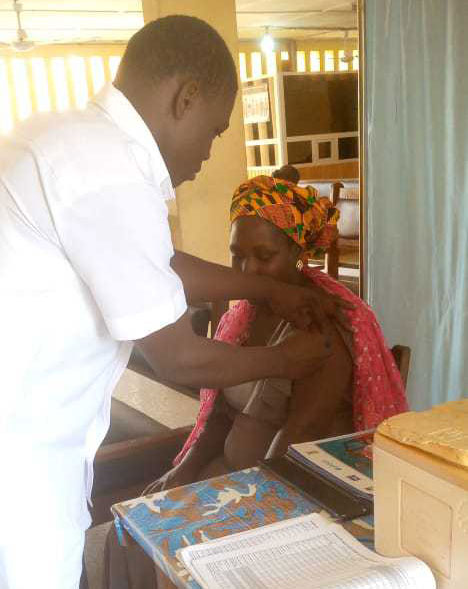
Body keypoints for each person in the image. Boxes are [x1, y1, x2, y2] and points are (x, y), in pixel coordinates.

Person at [0, 17, 349, 589]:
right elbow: (179, 359)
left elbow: (158, 268)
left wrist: (265, 291)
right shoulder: (105, 169)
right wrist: (288, 359)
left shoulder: (65, 138)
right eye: (214, 130)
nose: (210, 153)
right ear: (186, 97)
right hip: (20, 463)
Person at [103, 175, 409, 589]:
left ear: (298, 251)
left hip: (286, 493)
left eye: (264, 256)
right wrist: (183, 474)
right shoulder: (241, 319)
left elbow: (292, 452)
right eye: (237, 255)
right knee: (125, 538)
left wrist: (219, 512)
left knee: (171, 560)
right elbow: (219, 415)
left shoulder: (322, 330)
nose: (247, 270)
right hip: (231, 476)